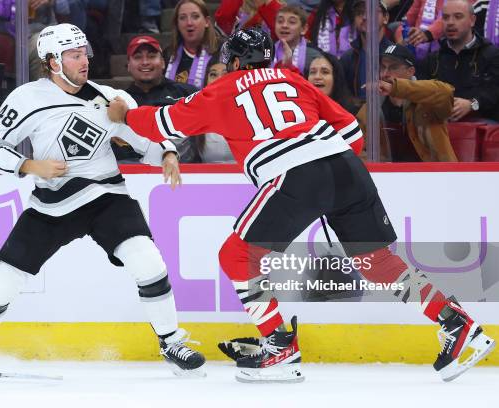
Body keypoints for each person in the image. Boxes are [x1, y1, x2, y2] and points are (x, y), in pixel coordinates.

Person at [107, 27, 495, 383]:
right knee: (377, 262)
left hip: (295, 174)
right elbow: (352, 133)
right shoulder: (293, 79)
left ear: (236, 62)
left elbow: (162, 124)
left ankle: (279, 347)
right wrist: (328, 184)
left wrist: (124, 113)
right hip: (347, 169)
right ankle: (459, 325)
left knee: (236, 257)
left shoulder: (224, 88)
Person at [0, 23, 206, 376]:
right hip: (52, 205)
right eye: (74, 55)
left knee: (147, 261)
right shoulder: (27, 98)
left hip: (106, 196)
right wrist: (29, 164)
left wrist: (167, 154)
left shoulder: (106, 98)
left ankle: (172, 341)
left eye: (84, 53)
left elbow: (146, 138)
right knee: (2, 281)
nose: (83, 60)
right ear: (53, 62)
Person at [357, 44, 458, 162]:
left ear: (411, 71)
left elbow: (446, 92)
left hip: (435, 175)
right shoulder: (371, 108)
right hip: (390, 177)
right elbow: (354, 147)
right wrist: (379, 166)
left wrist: (396, 88)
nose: (385, 74)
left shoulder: (427, 102)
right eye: (383, 67)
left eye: (393, 67)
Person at [118, 35, 201, 162]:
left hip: (187, 174)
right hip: (134, 176)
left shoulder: (188, 93)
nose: (145, 62)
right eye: (138, 57)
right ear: (128, 65)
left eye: (151, 56)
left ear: (163, 62)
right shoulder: (120, 102)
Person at [418, 0, 499, 122]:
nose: (450, 22)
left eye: (458, 17)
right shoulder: (432, 60)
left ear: (472, 20)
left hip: (480, 126)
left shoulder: (491, 54)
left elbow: (494, 91)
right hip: (441, 125)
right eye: (445, 17)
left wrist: (472, 104)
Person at [340, 0, 393, 100]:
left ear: (386, 18)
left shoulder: (396, 57)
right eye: (359, 13)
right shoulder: (347, 58)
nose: (365, 17)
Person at [164, 0, 219, 88]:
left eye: (195, 17)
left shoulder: (223, 51)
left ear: (207, 22)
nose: (189, 23)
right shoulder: (168, 54)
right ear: (177, 24)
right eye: (183, 18)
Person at [271, 4, 322, 74]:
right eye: (280, 21)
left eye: (292, 22)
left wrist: (289, 66)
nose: (284, 25)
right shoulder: (266, 53)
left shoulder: (314, 56)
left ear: (304, 29)